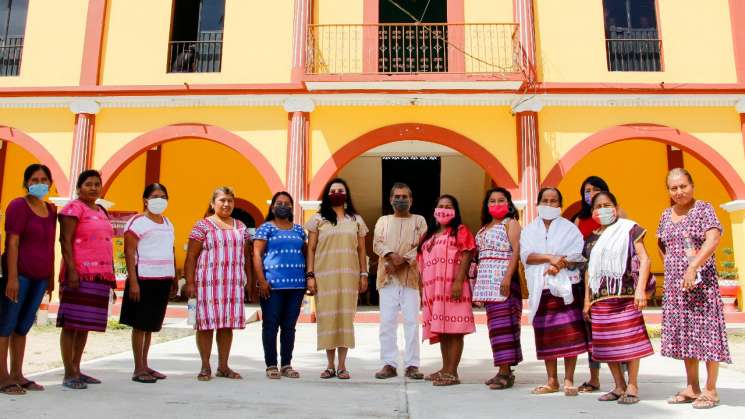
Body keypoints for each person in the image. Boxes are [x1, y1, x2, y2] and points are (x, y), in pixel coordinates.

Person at [657, 168, 730, 409]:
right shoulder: (665, 215)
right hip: (677, 287)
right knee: (686, 335)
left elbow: (713, 240)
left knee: (707, 335)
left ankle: (711, 390)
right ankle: (692, 387)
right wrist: (672, 270)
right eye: (673, 188)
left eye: (683, 186)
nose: (679, 192)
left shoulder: (704, 209)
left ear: (692, 185)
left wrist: (692, 267)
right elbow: (662, 244)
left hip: (702, 284)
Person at [583, 191, 654, 405]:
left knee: (630, 341)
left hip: (626, 296)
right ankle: (618, 386)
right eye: (598, 206)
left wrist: (641, 290)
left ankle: (632, 385)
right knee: (607, 345)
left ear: (616, 207)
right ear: (593, 212)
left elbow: (645, 259)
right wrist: (587, 300)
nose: (603, 209)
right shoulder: (592, 238)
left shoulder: (629, 229)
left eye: (607, 205)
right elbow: (589, 271)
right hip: (600, 299)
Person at [520, 187, 588, 396]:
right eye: (545, 200)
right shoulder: (529, 230)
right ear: (538, 203)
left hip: (566, 286)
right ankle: (551, 381)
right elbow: (526, 256)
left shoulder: (570, 228)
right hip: (541, 287)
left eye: (553, 201)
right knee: (546, 334)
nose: (549, 204)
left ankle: (568, 380)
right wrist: (550, 258)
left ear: (560, 204)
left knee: (570, 334)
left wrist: (560, 264)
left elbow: (577, 254)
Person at [184, 186, 252, 382]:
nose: (226, 204)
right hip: (207, 284)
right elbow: (191, 256)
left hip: (232, 284)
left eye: (230, 200)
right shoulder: (202, 226)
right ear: (213, 203)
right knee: (205, 325)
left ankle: (223, 366)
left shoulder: (241, 227)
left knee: (226, 325)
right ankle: (205, 366)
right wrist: (189, 282)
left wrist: (248, 282)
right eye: (222, 200)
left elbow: (246, 256)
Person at [0, 164, 56, 395]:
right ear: (27, 183)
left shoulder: (51, 210)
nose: (39, 183)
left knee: (23, 327)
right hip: (19, 276)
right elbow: (11, 242)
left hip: (40, 277)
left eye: (44, 179)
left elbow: (50, 244)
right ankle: (2, 377)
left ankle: (17, 374)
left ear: (50, 183)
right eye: (34, 179)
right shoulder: (18, 206)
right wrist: (12, 278)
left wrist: (51, 277)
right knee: (6, 326)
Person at [57, 170, 115, 390]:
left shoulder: (101, 210)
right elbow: (65, 240)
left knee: (84, 325)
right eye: (88, 184)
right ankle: (68, 372)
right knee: (71, 324)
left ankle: (77, 368)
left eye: (97, 184)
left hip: (99, 277)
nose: (93, 188)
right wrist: (72, 270)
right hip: (79, 274)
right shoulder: (73, 208)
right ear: (78, 188)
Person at [305, 178, 368, 380]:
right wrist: (310, 275)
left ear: (346, 194)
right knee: (328, 317)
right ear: (327, 194)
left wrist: (363, 274)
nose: (337, 193)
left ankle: (342, 365)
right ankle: (330, 365)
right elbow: (311, 249)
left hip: (349, 276)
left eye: (340, 190)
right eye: (333, 190)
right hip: (325, 276)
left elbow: (362, 249)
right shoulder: (318, 219)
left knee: (345, 318)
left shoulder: (356, 220)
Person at [573, 175, 627, 394]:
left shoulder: (618, 215)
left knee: (618, 331)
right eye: (587, 190)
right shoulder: (579, 220)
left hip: (615, 281)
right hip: (587, 282)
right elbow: (578, 252)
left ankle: (622, 382)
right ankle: (594, 378)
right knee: (591, 331)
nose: (591, 193)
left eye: (596, 189)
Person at [119, 183, 177, 384]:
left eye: (163, 195)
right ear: (145, 200)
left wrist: (174, 278)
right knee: (139, 325)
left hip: (163, 279)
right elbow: (129, 252)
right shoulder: (137, 222)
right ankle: (138, 368)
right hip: (143, 279)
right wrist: (133, 282)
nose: (159, 199)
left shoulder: (168, 222)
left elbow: (171, 249)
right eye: (154, 196)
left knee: (151, 325)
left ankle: (145, 363)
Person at [418, 194, 475, 386]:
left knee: (455, 330)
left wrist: (459, 281)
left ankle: (453, 372)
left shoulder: (460, 230)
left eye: (448, 206)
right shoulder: (429, 235)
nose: (444, 209)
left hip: (454, 288)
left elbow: (467, 255)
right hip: (435, 292)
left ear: (455, 211)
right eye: (440, 205)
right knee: (443, 330)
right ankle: (445, 368)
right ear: (434, 210)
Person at [372, 183, 427, 380]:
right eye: (397, 196)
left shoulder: (419, 220)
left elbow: (423, 245)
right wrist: (391, 256)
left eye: (405, 196)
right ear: (390, 199)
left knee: (412, 322)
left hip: (410, 278)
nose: (401, 200)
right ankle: (389, 363)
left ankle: (412, 365)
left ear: (411, 200)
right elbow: (377, 243)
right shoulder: (383, 221)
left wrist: (401, 261)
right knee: (387, 322)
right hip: (387, 278)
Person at [472, 187, 523, 390]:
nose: (496, 204)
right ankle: (502, 369)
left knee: (506, 326)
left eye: (500, 200)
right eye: (492, 201)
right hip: (487, 285)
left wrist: (507, 278)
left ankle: (505, 373)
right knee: (495, 328)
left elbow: (516, 251)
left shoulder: (510, 223)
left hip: (504, 282)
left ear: (509, 204)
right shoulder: (483, 228)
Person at [253, 191, 307, 380]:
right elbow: (257, 255)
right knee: (270, 325)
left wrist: (308, 278)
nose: (283, 206)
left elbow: (306, 254)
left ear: (292, 208)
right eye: (279, 202)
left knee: (289, 327)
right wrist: (261, 281)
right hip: (272, 286)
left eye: (287, 203)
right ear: (272, 206)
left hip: (296, 286)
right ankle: (271, 365)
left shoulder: (300, 230)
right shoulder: (265, 228)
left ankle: (286, 364)